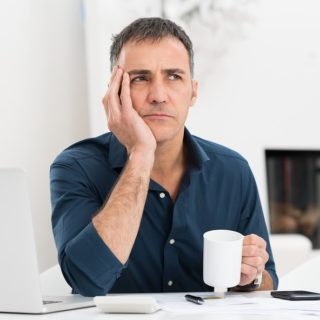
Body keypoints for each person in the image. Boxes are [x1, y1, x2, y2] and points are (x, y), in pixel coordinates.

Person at [50, 17, 278, 297]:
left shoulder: (233, 171)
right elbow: (88, 279)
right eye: (140, 78)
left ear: (193, 91)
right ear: (115, 90)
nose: (158, 95)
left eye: (173, 76)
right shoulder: (75, 168)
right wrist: (141, 153)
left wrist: (251, 277)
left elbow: (269, 282)